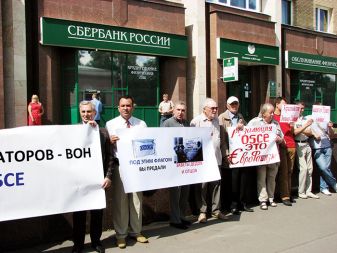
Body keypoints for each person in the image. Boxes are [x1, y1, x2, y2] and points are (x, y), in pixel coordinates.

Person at [72, 101, 116, 253]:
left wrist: (108, 176)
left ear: (95, 113)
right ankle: (78, 244)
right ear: (80, 113)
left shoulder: (103, 132)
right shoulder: (72, 131)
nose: (86, 114)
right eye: (83, 112)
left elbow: (110, 156)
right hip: (79, 180)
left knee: (97, 213)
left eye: (89, 111)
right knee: (78, 214)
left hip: (99, 180)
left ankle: (96, 242)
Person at [105, 96, 148, 249]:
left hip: (137, 166)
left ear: (133, 107)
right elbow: (105, 148)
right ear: (118, 108)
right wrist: (109, 141)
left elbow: (147, 143)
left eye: (128, 105)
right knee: (120, 201)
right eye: (122, 105)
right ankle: (121, 235)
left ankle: (136, 232)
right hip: (120, 166)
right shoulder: (110, 124)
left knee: (137, 199)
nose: (125, 108)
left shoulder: (141, 124)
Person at [190, 98, 228, 223]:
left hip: (216, 159)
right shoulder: (196, 122)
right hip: (202, 161)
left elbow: (221, 141)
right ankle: (202, 212)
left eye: (216, 108)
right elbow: (191, 142)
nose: (215, 110)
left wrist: (224, 156)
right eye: (212, 108)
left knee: (216, 185)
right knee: (202, 187)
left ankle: (216, 210)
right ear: (204, 109)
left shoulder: (217, 121)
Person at [218, 96, 253, 215]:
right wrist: (226, 154)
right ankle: (232, 205)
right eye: (232, 104)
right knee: (233, 181)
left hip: (242, 155)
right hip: (231, 154)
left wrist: (244, 128)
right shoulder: (222, 117)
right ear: (227, 105)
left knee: (243, 179)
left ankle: (242, 203)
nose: (234, 106)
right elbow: (221, 138)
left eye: (236, 104)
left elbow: (248, 133)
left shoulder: (241, 116)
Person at [247, 103, 284, 210]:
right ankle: (263, 200)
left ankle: (271, 198)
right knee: (261, 179)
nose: (273, 114)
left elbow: (282, 139)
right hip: (261, 157)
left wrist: (279, 139)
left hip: (273, 157)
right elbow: (245, 132)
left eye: (273, 112)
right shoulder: (255, 122)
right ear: (263, 114)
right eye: (270, 112)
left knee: (272, 178)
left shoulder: (276, 124)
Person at [162, 101, 191, 230]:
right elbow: (162, 140)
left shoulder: (186, 123)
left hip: (185, 162)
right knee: (176, 192)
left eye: (183, 110)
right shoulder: (167, 123)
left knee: (185, 190)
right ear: (173, 110)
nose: (180, 112)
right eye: (178, 110)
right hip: (173, 162)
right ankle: (174, 219)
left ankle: (182, 216)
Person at [293, 102, 319, 199]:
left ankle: (309, 191)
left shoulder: (305, 118)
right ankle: (301, 191)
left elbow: (310, 132)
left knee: (310, 169)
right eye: (300, 108)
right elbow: (295, 132)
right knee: (303, 169)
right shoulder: (293, 119)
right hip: (298, 143)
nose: (302, 110)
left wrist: (302, 129)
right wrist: (305, 127)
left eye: (303, 108)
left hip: (307, 143)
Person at [273, 97, 296, 206]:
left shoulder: (288, 116)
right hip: (281, 146)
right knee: (283, 171)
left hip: (291, 144)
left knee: (289, 172)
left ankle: (288, 193)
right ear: (277, 105)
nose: (285, 107)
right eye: (283, 104)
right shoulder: (273, 117)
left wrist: (292, 126)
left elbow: (292, 132)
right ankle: (284, 195)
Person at [309, 114, 337, 196]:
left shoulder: (326, 120)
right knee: (323, 167)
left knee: (326, 168)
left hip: (327, 146)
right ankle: (334, 184)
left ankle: (324, 187)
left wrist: (330, 127)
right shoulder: (310, 119)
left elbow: (331, 134)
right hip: (317, 147)